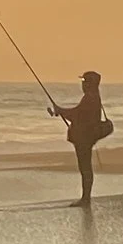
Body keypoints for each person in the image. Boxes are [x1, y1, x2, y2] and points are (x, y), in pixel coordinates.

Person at [48, 72, 115, 204]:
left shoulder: (90, 98)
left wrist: (60, 110)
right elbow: (77, 114)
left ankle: (85, 199)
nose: (83, 84)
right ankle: (86, 198)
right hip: (86, 137)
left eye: (85, 81)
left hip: (85, 138)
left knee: (85, 168)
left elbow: (76, 115)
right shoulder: (94, 97)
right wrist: (60, 111)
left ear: (90, 83)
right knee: (85, 167)